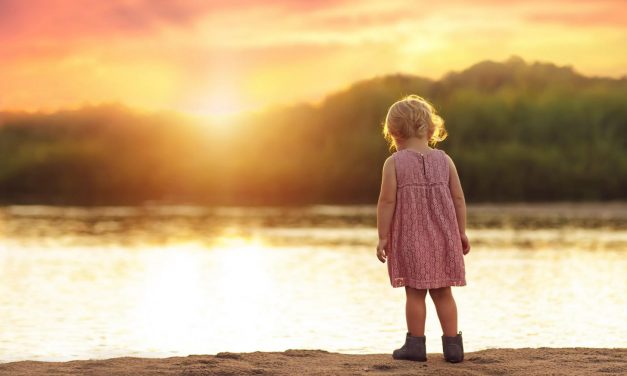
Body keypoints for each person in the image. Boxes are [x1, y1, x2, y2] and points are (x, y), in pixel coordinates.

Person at [376, 94, 470, 363]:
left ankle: (416, 346)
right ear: (430, 129)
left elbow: (387, 201)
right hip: (444, 236)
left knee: (415, 292)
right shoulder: (445, 160)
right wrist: (461, 232)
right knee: (443, 292)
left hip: (410, 237)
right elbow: (459, 199)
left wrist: (383, 236)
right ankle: (453, 348)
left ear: (393, 132)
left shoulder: (394, 163)